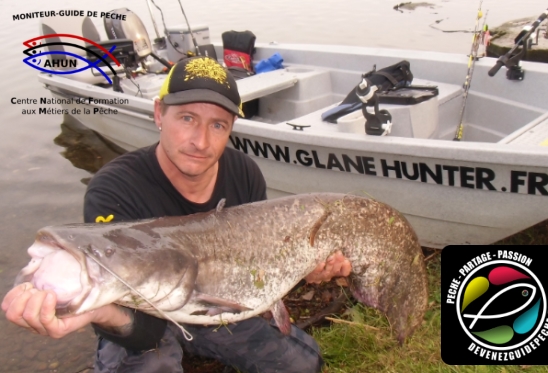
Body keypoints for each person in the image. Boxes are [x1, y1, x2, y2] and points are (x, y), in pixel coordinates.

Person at [2, 56, 352, 373]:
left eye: (218, 125)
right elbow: (137, 325)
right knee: (150, 361)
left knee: (303, 364)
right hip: (138, 315)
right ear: (158, 113)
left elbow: (259, 274)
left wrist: (307, 269)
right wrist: (95, 311)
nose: (201, 141)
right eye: (187, 118)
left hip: (213, 302)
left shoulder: (245, 173)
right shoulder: (113, 190)